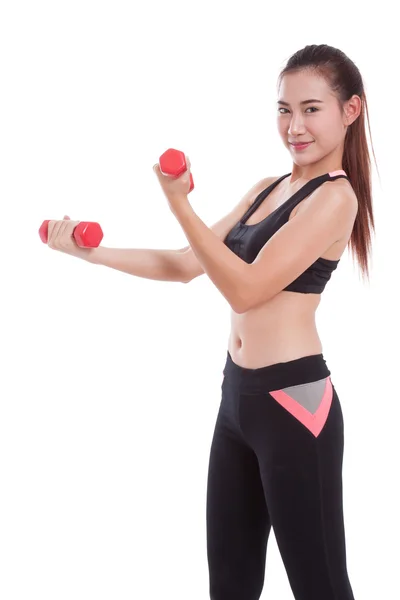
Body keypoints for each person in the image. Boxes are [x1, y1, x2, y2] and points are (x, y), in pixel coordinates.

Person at [45, 44, 376, 600]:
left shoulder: (335, 199)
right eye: (283, 109)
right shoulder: (266, 190)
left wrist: (181, 204)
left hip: (297, 407)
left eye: (312, 109)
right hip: (238, 400)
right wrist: (91, 254)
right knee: (230, 584)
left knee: (320, 586)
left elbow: (245, 288)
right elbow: (183, 265)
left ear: (350, 111)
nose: (294, 126)